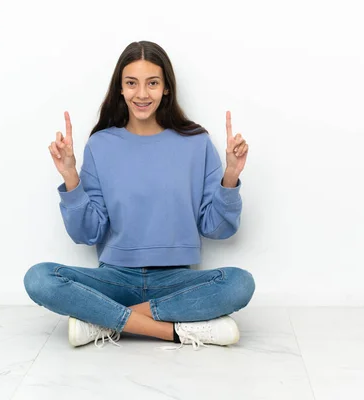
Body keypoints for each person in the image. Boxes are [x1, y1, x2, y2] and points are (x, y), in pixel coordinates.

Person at [23, 41, 255, 350]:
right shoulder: (100, 145)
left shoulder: (196, 143)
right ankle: (175, 332)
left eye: (153, 83)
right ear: (120, 89)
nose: (142, 94)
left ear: (166, 88)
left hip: (174, 284)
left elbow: (218, 228)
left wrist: (231, 176)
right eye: (131, 83)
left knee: (240, 284)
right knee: (39, 278)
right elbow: (87, 233)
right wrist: (70, 176)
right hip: (114, 280)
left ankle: (104, 321)